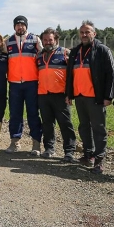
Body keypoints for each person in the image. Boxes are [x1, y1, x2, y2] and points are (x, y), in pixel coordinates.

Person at [65, 20, 114, 174]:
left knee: (99, 129)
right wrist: (69, 94)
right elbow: (70, 75)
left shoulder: (102, 50)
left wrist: (109, 96)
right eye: (82, 32)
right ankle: (88, 155)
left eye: (87, 32)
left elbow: (111, 74)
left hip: (96, 98)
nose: (84, 35)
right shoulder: (75, 51)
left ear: (94, 33)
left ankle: (99, 161)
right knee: (84, 127)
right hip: (80, 96)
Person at [36, 28, 77, 161]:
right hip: (43, 95)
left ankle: (69, 151)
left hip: (60, 95)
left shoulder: (65, 53)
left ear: (56, 40)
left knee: (65, 123)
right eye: (45, 40)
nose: (47, 42)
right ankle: (49, 148)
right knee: (47, 124)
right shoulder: (39, 56)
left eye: (50, 40)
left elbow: (73, 75)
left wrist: (69, 93)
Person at [5, 15, 43, 154]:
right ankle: (15, 142)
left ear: (26, 26)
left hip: (32, 82)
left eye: (22, 24)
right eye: (17, 25)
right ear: (14, 26)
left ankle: (36, 144)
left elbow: (44, 56)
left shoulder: (35, 39)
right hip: (14, 83)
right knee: (15, 114)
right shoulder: (8, 41)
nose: (20, 27)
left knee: (33, 113)